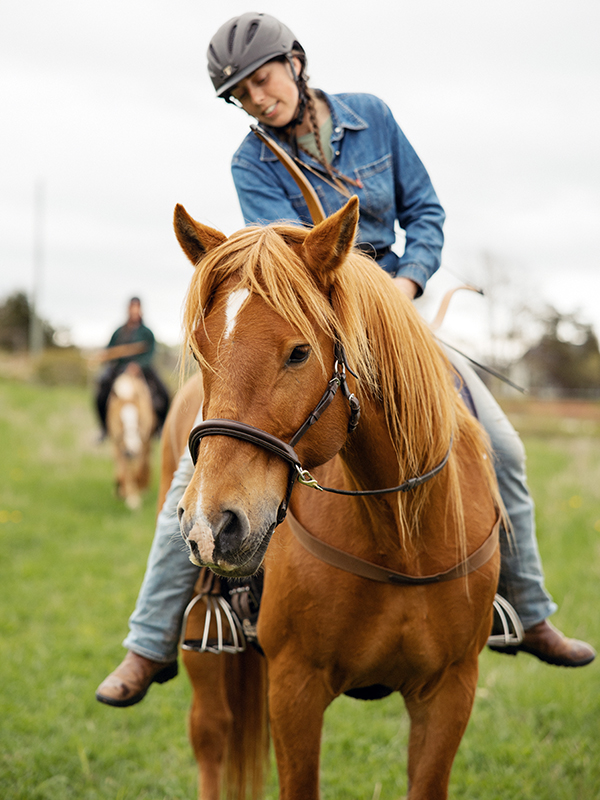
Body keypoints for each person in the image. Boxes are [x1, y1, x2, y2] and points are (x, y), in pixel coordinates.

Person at [95, 13, 594, 708]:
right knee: (194, 468)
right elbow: (279, 256)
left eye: (261, 80)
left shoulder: (373, 118)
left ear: (295, 62)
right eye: (240, 95)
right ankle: (151, 641)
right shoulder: (252, 161)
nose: (256, 99)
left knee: (503, 446)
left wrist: (404, 285)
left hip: (396, 319)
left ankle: (530, 612)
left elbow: (426, 213)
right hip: (313, 325)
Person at [95, 297, 170, 437]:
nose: (135, 311)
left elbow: (151, 354)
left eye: (137, 308)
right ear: (128, 310)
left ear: (141, 310)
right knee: (102, 388)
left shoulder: (147, 333)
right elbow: (111, 349)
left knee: (163, 392)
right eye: (132, 308)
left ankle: (160, 427)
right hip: (120, 369)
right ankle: (104, 428)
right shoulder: (119, 332)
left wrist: (139, 365)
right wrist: (107, 355)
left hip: (142, 369)